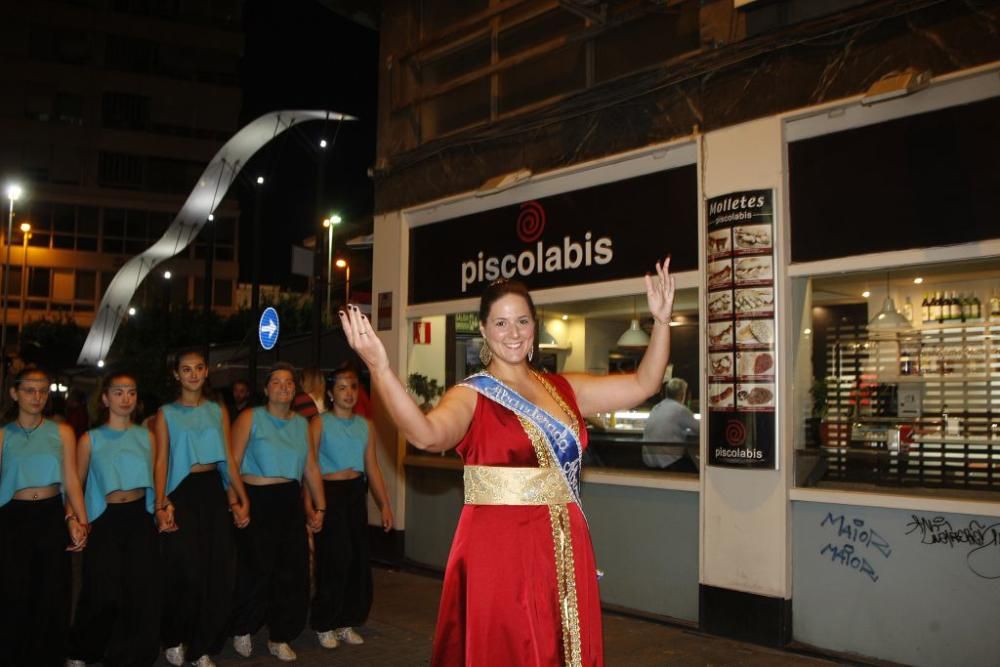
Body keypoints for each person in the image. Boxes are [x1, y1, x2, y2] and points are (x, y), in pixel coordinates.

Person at [339, 257, 674, 666]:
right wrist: (380, 367)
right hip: (501, 549)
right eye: (500, 323)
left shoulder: (562, 388)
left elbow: (645, 383)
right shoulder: (472, 394)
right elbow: (424, 434)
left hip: (564, 546)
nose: (512, 333)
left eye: (522, 321)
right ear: (483, 329)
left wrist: (660, 322)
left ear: (534, 326)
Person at [154, 349, 251, 667]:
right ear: (176, 375)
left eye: (198, 368)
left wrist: (239, 496)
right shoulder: (166, 412)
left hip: (212, 491)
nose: (193, 374)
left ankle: (201, 646)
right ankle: (173, 637)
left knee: (219, 571)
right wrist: (160, 503)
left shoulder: (217, 410)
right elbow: (161, 460)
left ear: (207, 372)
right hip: (181, 493)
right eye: (186, 369)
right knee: (186, 573)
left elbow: (228, 457)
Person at [229, 362, 326, 662]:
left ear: (295, 389)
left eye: (289, 383)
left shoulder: (301, 424)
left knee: (292, 571)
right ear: (266, 388)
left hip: (288, 501)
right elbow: (232, 461)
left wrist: (319, 506)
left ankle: (280, 635)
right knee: (255, 569)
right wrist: (235, 502)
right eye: (277, 382)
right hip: (256, 498)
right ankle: (243, 628)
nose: (283, 387)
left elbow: (310, 467)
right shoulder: (250, 417)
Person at [67, 370, 160, 667]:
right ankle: (83, 648)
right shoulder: (89, 440)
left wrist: (163, 507)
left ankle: (129, 655)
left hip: (139, 518)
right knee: (102, 590)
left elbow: (158, 481)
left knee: (140, 588)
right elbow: (75, 484)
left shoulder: (147, 436)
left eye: (131, 392)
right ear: (105, 398)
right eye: (118, 392)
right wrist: (74, 519)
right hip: (105, 519)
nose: (126, 398)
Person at [0, 366, 88, 667]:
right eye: (29, 390)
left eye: (42, 390)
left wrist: (81, 519)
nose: (37, 396)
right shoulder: (2, 435)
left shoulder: (61, 431)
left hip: (50, 515)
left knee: (52, 592)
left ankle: (48, 658)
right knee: (13, 591)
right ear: (14, 393)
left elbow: (72, 480)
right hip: (12, 518)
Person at [308, 363, 394, 649]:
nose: (348, 393)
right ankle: (324, 623)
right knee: (333, 559)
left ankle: (345, 621)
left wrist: (384, 504)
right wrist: (312, 507)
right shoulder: (319, 423)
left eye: (353, 387)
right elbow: (308, 468)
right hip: (329, 493)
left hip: (355, 493)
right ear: (331, 393)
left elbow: (373, 468)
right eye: (342, 387)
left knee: (356, 559)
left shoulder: (365, 425)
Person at [641, 377, 700, 469]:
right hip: (668, 463)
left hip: (649, 461)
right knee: (696, 469)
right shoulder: (680, 409)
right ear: (682, 394)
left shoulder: (656, 407)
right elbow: (700, 430)